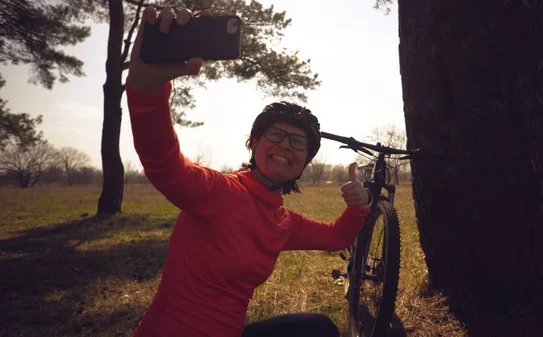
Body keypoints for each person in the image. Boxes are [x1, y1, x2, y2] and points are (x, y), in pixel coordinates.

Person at [126, 5, 371, 337]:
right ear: (254, 144)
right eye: (275, 135)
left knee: (320, 329)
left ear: (304, 164)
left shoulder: (282, 222)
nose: (286, 146)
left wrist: (359, 206)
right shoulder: (218, 191)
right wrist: (147, 91)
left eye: (298, 143)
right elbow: (164, 165)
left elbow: (336, 236)